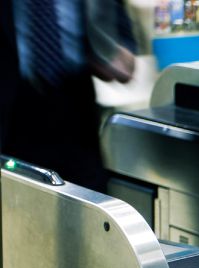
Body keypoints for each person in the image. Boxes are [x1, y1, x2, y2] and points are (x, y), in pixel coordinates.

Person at [0, 0, 137, 190]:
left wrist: (109, 52)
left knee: (86, 199)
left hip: (76, 111)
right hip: (14, 113)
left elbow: (123, 48)